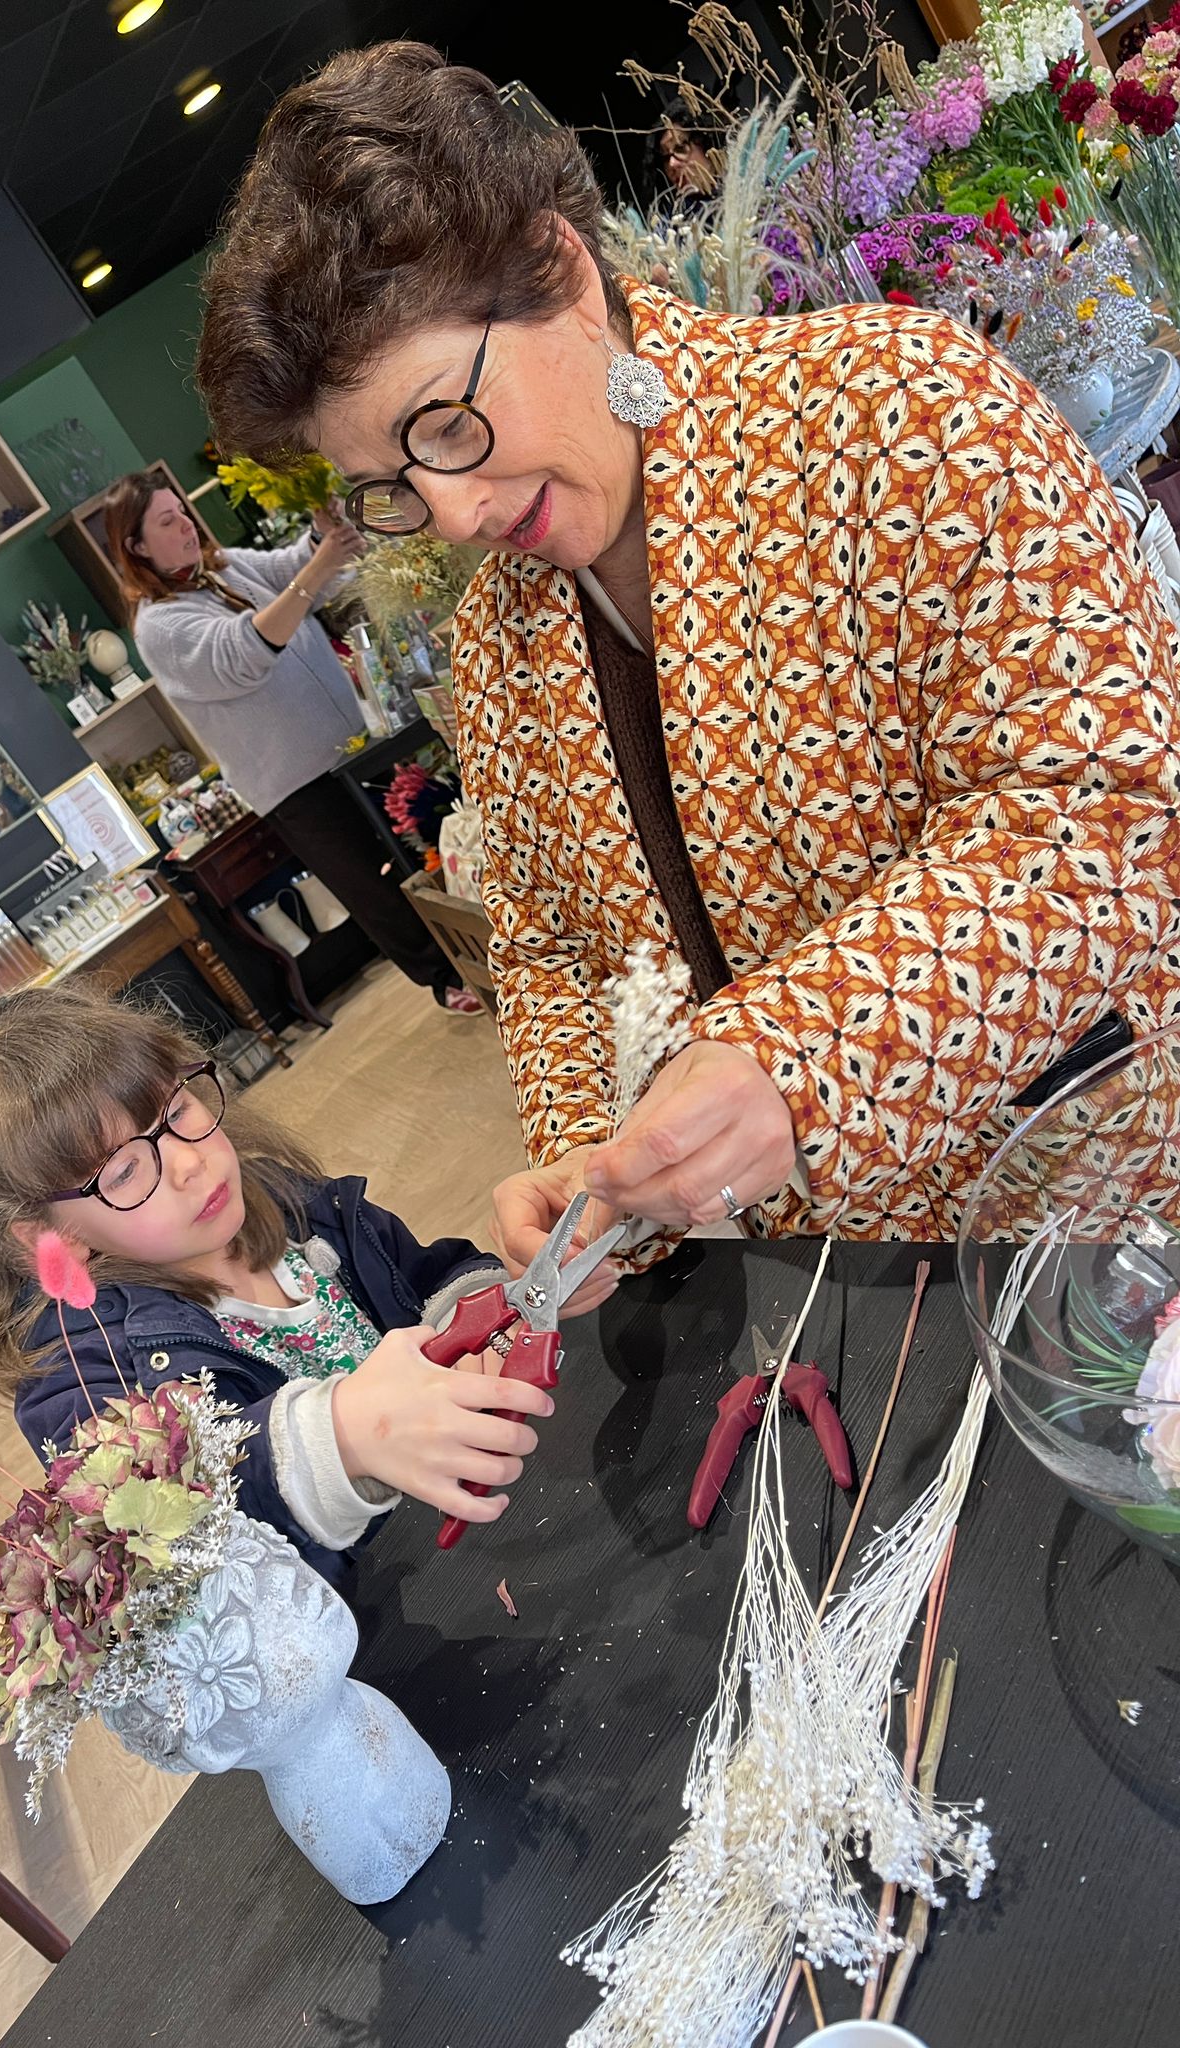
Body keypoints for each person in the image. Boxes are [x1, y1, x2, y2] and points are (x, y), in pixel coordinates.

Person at [194, 40, 1180, 1279]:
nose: (449, 512)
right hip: (832, 1281)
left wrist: (800, 1061)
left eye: (447, 423)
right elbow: (549, 946)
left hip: (1090, 1205)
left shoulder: (896, 411)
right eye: (388, 486)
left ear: (563, 275)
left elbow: (1104, 809)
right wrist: (584, 1173)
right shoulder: (502, 633)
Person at [0, 982, 596, 1587]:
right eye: (122, 1173)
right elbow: (178, 1545)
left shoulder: (295, 1205)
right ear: (49, 1237)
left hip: (507, 1519)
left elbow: (429, 1274)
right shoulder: (82, 1377)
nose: (188, 1166)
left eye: (175, 1113)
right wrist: (336, 1440)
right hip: (384, 1613)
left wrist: (488, 1315)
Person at [103, 473, 482, 1012]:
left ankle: (478, 941)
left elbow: (287, 569)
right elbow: (244, 653)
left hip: (350, 745)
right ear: (136, 547)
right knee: (374, 886)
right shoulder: (160, 626)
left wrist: (318, 538)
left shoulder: (220, 568)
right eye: (167, 521)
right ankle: (443, 978)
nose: (186, 523)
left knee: (416, 845)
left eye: (183, 510)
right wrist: (318, 565)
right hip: (295, 780)